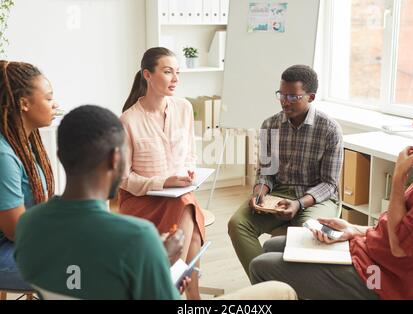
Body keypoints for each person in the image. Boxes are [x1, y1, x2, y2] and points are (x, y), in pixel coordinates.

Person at [15, 105, 298, 300]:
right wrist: (166, 266)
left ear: (61, 156)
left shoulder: (28, 224)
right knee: (279, 291)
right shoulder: (136, 237)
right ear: (116, 159)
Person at [250, 74, 413, 300]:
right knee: (272, 247)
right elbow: (401, 227)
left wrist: (398, 178)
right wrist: (355, 230)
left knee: (261, 265)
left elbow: (400, 247)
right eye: (282, 95)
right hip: (370, 254)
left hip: (382, 280)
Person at [228, 64, 343, 276]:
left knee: (308, 232)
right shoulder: (269, 124)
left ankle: (294, 288)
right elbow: (266, 172)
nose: (284, 101)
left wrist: (299, 204)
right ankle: (268, 285)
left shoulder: (330, 130)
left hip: (316, 198)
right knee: (238, 224)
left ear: (311, 97)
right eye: (281, 94)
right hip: (279, 192)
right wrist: (259, 192)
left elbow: (329, 183)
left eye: (292, 97)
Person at [118, 47, 204, 299]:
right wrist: (163, 182)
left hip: (179, 194)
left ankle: (171, 288)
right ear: (147, 74)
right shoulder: (128, 120)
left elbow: (191, 153)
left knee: (185, 203)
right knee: (190, 217)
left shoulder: (184, 108)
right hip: (142, 200)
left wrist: (189, 173)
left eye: (177, 72)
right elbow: (123, 178)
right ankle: (183, 294)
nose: (176, 79)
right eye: (168, 72)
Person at [0, 60, 56, 292]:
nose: (56, 104)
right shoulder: (4, 155)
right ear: (24, 103)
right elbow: (16, 230)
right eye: (49, 98)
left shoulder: (28, 144)